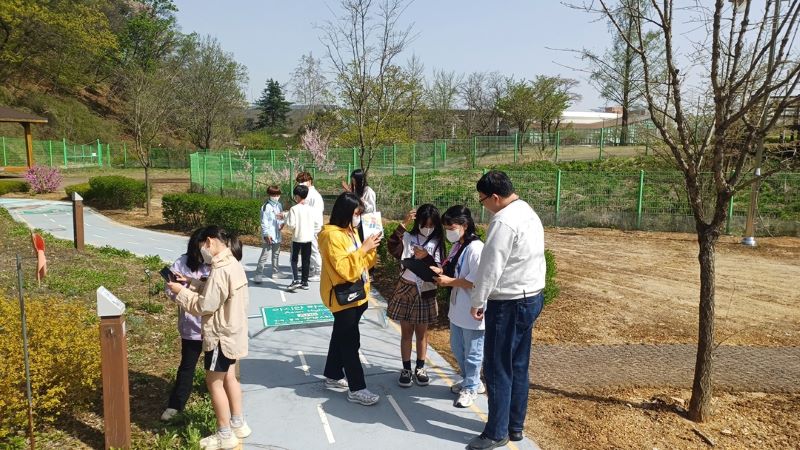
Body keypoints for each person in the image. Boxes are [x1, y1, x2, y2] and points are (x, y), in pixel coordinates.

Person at [466, 171, 546, 450]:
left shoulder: (503, 221)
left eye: (483, 200)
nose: (483, 205)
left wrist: (478, 301)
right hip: (531, 296)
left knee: (497, 367)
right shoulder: (527, 211)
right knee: (518, 366)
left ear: (495, 197)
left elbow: (490, 266)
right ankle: (515, 426)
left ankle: (495, 432)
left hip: (508, 302)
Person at [167, 226, 250, 450]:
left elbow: (206, 305)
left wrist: (180, 291)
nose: (201, 252)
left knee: (214, 383)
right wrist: (192, 283)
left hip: (220, 336)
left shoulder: (220, 269)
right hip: (233, 333)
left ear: (210, 241)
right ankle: (238, 423)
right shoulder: (232, 264)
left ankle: (224, 433)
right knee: (231, 379)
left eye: (201, 246)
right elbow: (216, 291)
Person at [318, 191, 382, 406]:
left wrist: (370, 248)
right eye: (356, 213)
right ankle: (357, 388)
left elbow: (365, 263)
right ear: (345, 212)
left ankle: (333, 374)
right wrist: (363, 249)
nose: (358, 217)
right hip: (342, 297)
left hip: (358, 294)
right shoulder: (331, 236)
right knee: (350, 341)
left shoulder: (350, 231)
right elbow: (345, 269)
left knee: (341, 335)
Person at [431, 205, 485, 409]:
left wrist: (450, 282)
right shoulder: (459, 246)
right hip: (457, 308)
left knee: (473, 351)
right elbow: (453, 268)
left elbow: (477, 280)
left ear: (464, 225)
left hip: (472, 307)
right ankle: (471, 380)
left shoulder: (475, 248)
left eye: (451, 227)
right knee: (457, 347)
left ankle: (471, 388)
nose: (448, 232)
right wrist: (439, 270)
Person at [386, 204, 445, 388]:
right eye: (423, 224)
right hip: (406, 288)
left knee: (422, 333)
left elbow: (441, 268)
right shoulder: (408, 237)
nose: (427, 228)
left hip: (425, 290)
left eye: (431, 224)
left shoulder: (437, 241)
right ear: (418, 222)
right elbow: (392, 247)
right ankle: (406, 369)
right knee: (406, 333)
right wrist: (403, 223)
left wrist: (426, 257)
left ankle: (420, 367)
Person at [161, 227, 212, 421]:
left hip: (213, 327)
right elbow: (170, 291)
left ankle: (214, 394)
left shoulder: (217, 265)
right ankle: (176, 404)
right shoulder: (182, 263)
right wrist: (177, 290)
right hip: (191, 326)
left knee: (213, 366)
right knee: (187, 366)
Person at [285, 184, 321, 292]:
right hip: (308, 238)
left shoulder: (294, 209)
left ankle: (295, 280)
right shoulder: (311, 209)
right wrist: (311, 232)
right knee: (306, 260)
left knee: (294, 260)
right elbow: (317, 225)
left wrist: (292, 227)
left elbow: (291, 225)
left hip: (297, 238)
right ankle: (304, 282)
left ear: (297, 196)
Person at [296, 171, 324, 281]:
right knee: (308, 248)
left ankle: (318, 271)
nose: (301, 184)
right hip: (309, 224)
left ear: (310, 181)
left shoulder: (313, 195)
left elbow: (313, 212)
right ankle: (312, 268)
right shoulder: (308, 193)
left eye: (303, 181)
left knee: (313, 249)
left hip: (313, 225)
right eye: (300, 182)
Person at [255, 185, 285, 283]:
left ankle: (275, 272)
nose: (276, 196)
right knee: (265, 255)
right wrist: (266, 234)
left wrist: (281, 224)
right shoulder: (265, 207)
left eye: (278, 194)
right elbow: (264, 222)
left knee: (276, 254)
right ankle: (258, 274)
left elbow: (280, 218)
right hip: (269, 236)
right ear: (270, 195)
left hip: (277, 235)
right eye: (274, 195)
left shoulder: (279, 205)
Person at [341, 169, 376, 241]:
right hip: (358, 223)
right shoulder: (357, 190)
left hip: (367, 223)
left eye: (354, 180)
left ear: (359, 180)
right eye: (352, 180)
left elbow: (371, 208)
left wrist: (359, 199)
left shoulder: (368, 191)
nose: (353, 183)